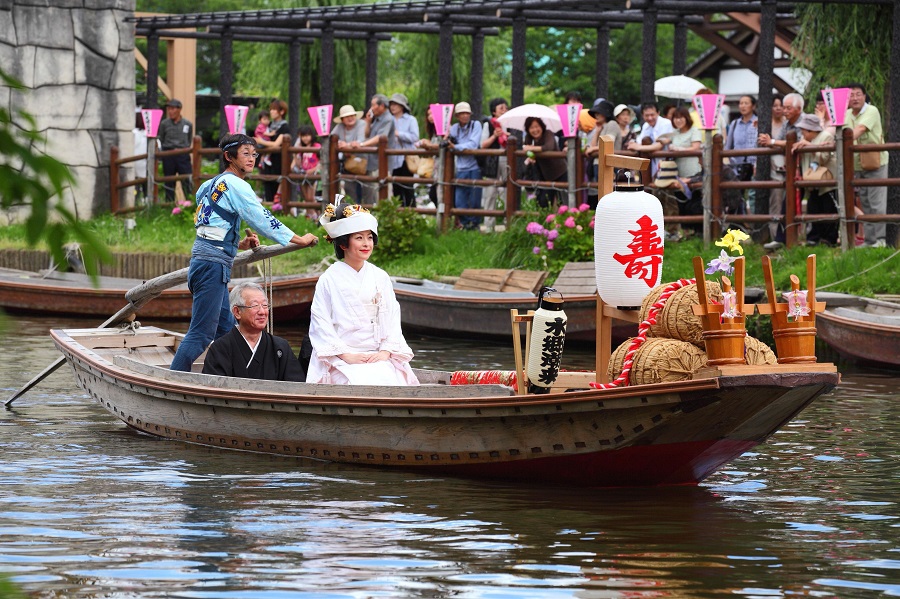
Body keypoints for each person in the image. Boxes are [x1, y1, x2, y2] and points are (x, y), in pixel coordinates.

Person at [169, 133, 319, 372]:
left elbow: (208, 227)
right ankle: (173, 382)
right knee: (201, 333)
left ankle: (232, 375)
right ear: (229, 157)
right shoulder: (237, 185)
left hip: (205, 261)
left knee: (226, 329)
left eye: (254, 154)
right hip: (211, 266)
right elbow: (261, 218)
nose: (252, 159)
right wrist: (299, 239)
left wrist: (238, 244)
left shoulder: (208, 186)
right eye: (245, 154)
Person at [307, 200, 419, 386]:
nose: (366, 244)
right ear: (343, 244)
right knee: (356, 381)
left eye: (369, 237)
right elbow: (321, 323)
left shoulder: (380, 276)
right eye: (359, 238)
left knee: (394, 380)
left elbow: (392, 318)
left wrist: (384, 352)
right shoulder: (329, 279)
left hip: (378, 354)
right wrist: (346, 355)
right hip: (340, 357)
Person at [202, 282, 306, 381]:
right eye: (255, 306)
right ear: (237, 312)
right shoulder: (221, 349)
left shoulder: (280, 347)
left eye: (265, 305)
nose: (262, 312)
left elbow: (297, 387)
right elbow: (214, 390)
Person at [844, 82, 888, 248]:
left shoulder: (872, 110)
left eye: (858, 94)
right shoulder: (847, 114)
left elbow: (860, 129)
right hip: (857, 164)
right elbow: (837, 130)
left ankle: (881, 240)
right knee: (866, 202)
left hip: (875, 162)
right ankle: (870, 241)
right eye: (851, 95)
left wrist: (843, 142)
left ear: (864, 96)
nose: (855, 98)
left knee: (877, 202)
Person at [758, 92, 803, 249]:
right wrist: (772, 142)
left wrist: (772, 141)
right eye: (784, 107)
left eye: (788, 108)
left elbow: (795, 141)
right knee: (786, 204)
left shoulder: (805, 121)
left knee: (805, 205)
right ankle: (782, 238)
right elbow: (782, 141)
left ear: (799, 108)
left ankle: (806, 239)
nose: (785, 111)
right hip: (792, 170)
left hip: (805, 169)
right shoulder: (787, 123)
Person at [792, 113, 838, 246]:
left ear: (811, 130)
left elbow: (824, 157)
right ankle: (814, 238)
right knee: (813, 208)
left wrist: (810, 146)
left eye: (804, 131)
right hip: (811, 179)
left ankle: (829, 239)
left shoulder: (826, 136)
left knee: (828, 209)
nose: (802, 133)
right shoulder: (804, 139)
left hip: (826, 179)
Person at [447, 101, 483, 229]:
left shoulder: (476, 125)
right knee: (459, 200)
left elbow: (473, 144)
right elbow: (448, 144)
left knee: (475, 199)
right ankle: (466, 224)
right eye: (462, 113)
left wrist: (456, 147)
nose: (465, 115)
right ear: (457, 116)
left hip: (474, 166)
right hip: (460, 167)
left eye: (467, 113)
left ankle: (475, 224)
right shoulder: (454, 128)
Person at [523, 116, 567, 209]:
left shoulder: (548, 133)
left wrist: (531, 148)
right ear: (527, 129)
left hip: (559, 172)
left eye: (537, 126)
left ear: (542, 126)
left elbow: (548, 147)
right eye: (531, 127)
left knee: (562, 202)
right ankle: (544, 222)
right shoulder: (528, 138)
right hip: (544, 175)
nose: (535, 130)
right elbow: (527, 152)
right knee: (543, 202)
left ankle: (563, 222)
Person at [360, 93, 398, 203]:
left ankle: (388, 219)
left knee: (384, 193)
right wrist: (368, 122)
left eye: (373, 105)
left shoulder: (388, 119)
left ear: (382, 106)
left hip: (382, 163)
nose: (371, 108)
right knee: (372, 194)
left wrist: (362, 145)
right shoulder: (376, 119)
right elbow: (367, 135)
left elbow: (379, 138)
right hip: (372, 161)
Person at [480, 97, 509, 231]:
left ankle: (508, 222)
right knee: (490, 192)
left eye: (505, 108)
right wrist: (495, 136)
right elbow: (483, 145)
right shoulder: (488, 124)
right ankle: (489, 225)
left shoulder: (510, 122)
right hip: (492, 160)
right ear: (494, 112)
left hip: (507, 158)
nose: (504, 110)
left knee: (507, 192)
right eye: (501, 108)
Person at [584, 99, 620, 208]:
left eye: (599, 112)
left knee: (608, 193)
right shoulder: (602, 127)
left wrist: (592, 149)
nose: (596, 115)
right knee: (602, 192)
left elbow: (609, 142)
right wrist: (597, 131)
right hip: (599, 163)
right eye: (596, 113)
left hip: (610, 164)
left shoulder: (612, 124)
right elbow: (592, 145)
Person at [255, 99, 291, 204]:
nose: (271, 112)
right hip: (267, 161)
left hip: (278, 162)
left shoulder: (284, 127)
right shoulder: (268, 125)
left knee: (277, 187)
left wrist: (261, 141)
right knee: (267, 185)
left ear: (282, 111)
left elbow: (277, 144)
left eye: (274, 109)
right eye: (271, 109)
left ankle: (279, 211)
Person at [156, 98, 193, 203]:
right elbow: (161, 139)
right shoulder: (164, 124)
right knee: (169, 181)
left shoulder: (187, 124)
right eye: (169, 109)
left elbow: (189, 139)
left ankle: (190, 203)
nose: (171, 111)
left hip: (183, 155)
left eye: (173, 109)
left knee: (186, 180)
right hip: (168, 154)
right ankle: (169, 205)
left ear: (179, 109)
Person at [388, 93, 420, 208]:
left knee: (408, 188)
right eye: (391, 104)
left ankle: (412, 215)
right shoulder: (389, 120)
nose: (393, 107)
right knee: (396, 189)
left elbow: (415, 137)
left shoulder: (411, 120)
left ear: (402, 106)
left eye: (396, 104)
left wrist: (399, 134)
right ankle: (399, 217)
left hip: (406, 158)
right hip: (393, 159)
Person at [331, 104, 367, 202]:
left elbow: (360, 141)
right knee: (350, 190)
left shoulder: (362, 124)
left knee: (366, 190)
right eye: (347, 116)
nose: (350, 118)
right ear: (342, 119)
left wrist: (346, 145)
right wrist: (341, 145)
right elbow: (332, 139)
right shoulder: (339, 127)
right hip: (347, 163)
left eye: (352, 115)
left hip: (363, 162)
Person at [626, 102, 673, 176]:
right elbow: (639, 141)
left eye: (652, 115)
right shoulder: (646, 125)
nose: (650, 118)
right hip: (651, 165)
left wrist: (639, 147)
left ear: (658, 113)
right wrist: (633, 144)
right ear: (642, 115)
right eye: (647, 115)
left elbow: (659, 145)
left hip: (666, 163)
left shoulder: (666, 123)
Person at [659, 106, 702, 179]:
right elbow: (664, 141)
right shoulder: (675, 132)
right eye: (676, 118)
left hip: (692, 171)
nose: (678, 120)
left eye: (681, 117)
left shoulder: (694, 131)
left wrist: (679, 149)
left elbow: (696, 148)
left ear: (687, 118)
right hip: (677, 172)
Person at [291, 124, 321, 219]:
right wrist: (295, 155)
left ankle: (316, 214)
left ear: (312, 136)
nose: (305, 138)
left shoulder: (317, 146)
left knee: (311, 197)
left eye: (307, 135)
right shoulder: (301, 148)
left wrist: (313, 169)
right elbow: (299, 164)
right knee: (305, 197)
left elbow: (321, 161)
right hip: (303, 173)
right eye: (303, 136)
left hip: (313, 175)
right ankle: (310, 215)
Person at [132, 109, 147, 202]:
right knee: (142, 184)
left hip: (138, 162)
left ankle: (138, 201)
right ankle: (141, 201)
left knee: (137, 184)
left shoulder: (134, 133)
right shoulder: (136, 132)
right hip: (141, 163)